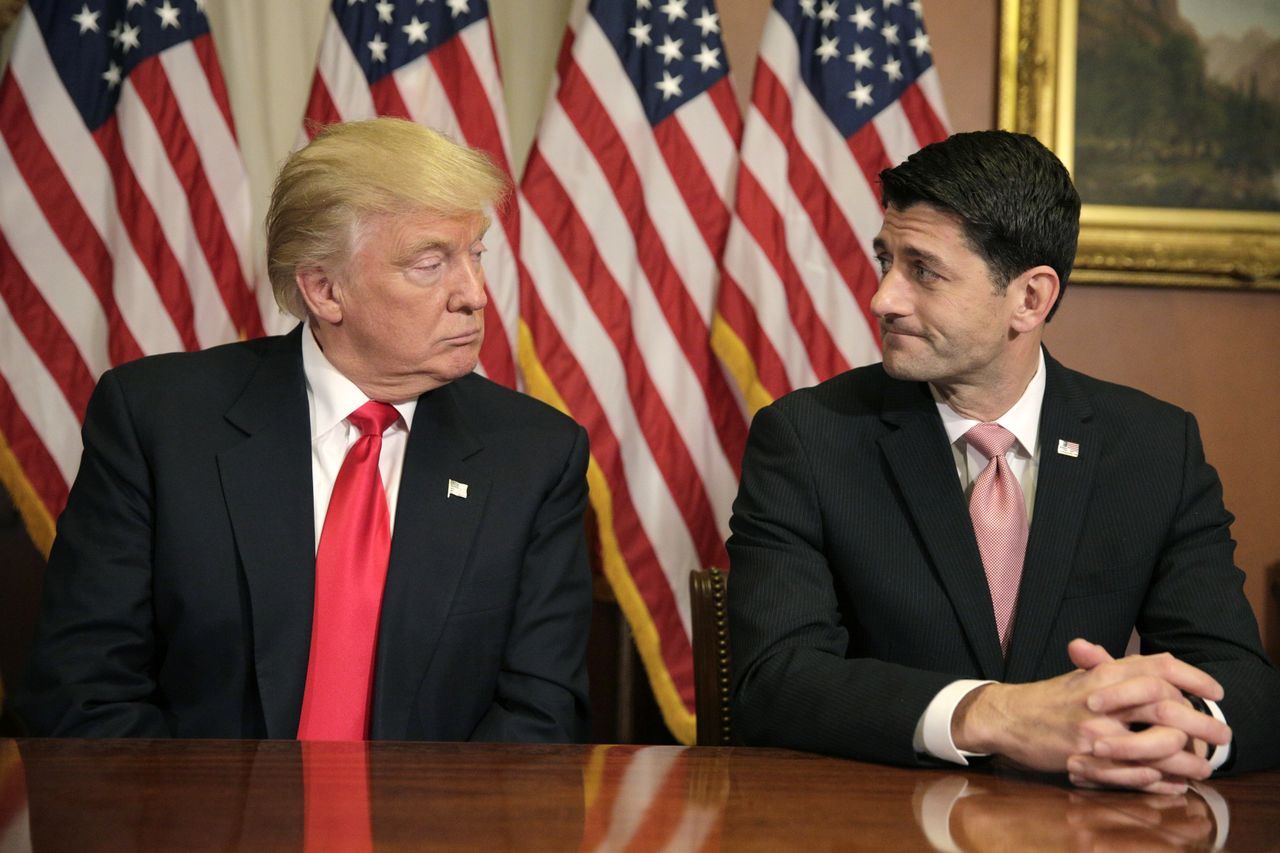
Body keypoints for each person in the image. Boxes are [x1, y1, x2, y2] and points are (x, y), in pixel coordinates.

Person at [727, 130, 1280, 791]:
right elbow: (775, 680)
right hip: (880, 819)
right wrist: (995, 714)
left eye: (923, 270)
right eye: (886, 261)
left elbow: (1243, 688)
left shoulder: (1155, 448)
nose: (884, 298)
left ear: (1030, 299)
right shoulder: (809, 437)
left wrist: (1168, 735)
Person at [16, 118, 592, 742]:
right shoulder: (158, 420)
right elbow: (85, 689)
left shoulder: (534, 455)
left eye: (475, 255)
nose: (474, 295)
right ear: (323, 290)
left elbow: (540, 715)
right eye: (431, 264)